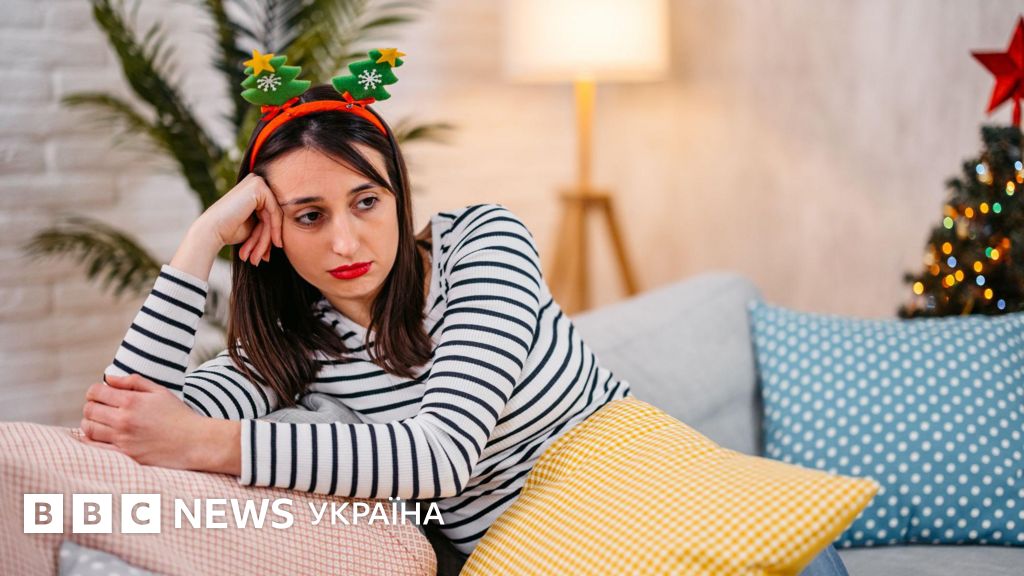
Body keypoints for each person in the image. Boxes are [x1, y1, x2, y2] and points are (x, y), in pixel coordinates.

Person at [78, 50, 848, 575]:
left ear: (398, 195)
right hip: (544, 558)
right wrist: (199, 241)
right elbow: (123, 425)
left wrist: (207, 442)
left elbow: (443, 454)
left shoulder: (482, 244)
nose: (346, 241)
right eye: (309, 215)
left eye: (365, 202)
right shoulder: (289, 354)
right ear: (270, 229)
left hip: (678, 508)